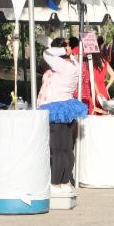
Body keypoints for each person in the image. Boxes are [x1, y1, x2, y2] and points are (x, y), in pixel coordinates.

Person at [38, 38, 87, 195]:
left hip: (55, 108)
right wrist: (68, 52)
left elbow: (47, 53)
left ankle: (55, 183)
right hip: (67, 106)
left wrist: (64, 50)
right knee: (66, 148)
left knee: (57, 148)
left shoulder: (62, 65)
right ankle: (65, 182)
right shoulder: (74, 64)